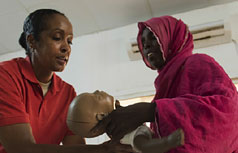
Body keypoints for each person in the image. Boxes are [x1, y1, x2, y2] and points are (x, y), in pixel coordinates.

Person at [92, 16, 238, 153]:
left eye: (153, 38)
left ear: (173, 38)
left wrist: (148, 111)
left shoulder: (198, 63)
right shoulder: (163, 90)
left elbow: (229, 113)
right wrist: (137, 131)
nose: (146, 45)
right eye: (143, 42)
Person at [0, 9, 133, 153]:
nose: (66, 48)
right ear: (32, 41)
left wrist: (115, 136)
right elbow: (21, 149)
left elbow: (76, 147)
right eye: (57, 38)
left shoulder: (67, 92)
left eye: (69, 41)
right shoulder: (6, 75)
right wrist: (102, 150)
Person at [68, 91, 184, 153]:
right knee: (141, 144)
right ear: (101, 116)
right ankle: (167, 143)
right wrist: (167, 142)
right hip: (144, 141)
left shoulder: (122, 118)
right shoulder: (121, 133)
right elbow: (141, 146)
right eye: (96, 96)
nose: (98, 90)